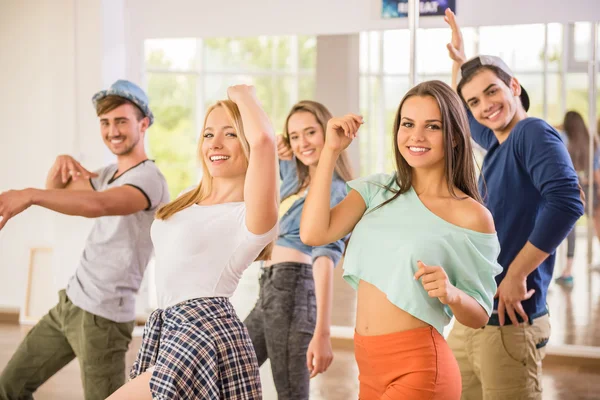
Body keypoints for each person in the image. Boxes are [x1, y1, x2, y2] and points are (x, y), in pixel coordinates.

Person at [300, 80, 502, 400]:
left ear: (452, 136)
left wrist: (451, 294)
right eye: (407, 124)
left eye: (431, 126)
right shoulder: (378, 190)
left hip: (420, 368)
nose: (416, 136)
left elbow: (478, 314)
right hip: (368, 367)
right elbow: (313, 233)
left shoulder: (472, 216)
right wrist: (330, 151)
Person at [443, 8, 584, 399]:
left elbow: (568, 201)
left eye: (492, 91)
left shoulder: (531, 132)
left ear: (514, 86)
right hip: (476, 317)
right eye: (474, 100)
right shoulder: (498, 145)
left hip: (510, 321)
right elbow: (467, 120)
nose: (485, 105)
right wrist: (460, 61)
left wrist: (517, 274)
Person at [0, 80, 169, 400]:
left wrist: (30, 195)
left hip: (103, 320)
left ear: (143, 123)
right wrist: (59, 164)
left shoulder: (149, 179)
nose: (112, 131)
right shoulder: (107, 174)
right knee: (10, 387)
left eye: (121, 120)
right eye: (105, 123)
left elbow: (97, 205)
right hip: (71, 303)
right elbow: (61, 195)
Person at [107, 84, 279, 399]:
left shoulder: (250, 217)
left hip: (202, 333)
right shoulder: (190, 198)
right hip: (167, 326)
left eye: (230, 133)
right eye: (208, 133)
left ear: (247, 143)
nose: (215, 143)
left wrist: (244, 95)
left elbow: (265, 141)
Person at [244, 100, 353, 399]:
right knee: (228, 371)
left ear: (327, 133)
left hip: (294, 292)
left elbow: (325, 260)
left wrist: (323, 331)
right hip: (269, 290)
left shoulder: (336, 189)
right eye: (295, 136)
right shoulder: (297, 179)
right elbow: (267, 149)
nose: (302, 143)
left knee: (291, 393)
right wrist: (281, 144)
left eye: (310, 133)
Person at [555, 110, 600, 286]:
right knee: (597, 226)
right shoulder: (592, 140)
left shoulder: (563, 138)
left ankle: (568, 271)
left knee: (570, 231)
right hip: (591, 187)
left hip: (572, 188)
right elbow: (596, 170)